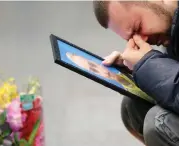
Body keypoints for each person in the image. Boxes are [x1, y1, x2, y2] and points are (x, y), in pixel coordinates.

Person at [93, 1, 179, 146]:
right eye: (132, 37)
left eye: (138, 27)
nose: (143, 40)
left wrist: (148, 65)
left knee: (158, 123)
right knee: (133, 107)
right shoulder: (171, 25)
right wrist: (137, 70)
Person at [66, 52, 154, 103]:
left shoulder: (126, 67)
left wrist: (134, 66)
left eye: (93, 65)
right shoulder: (125, 86)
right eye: (94, 71)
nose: (99, 71)